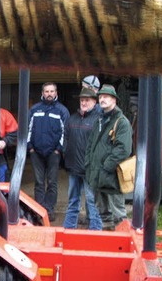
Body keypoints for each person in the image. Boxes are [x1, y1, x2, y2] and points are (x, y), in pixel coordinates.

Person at [85, 84, 133, 230]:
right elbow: (91, 144)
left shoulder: (121, 122)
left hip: (112, 177)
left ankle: (122, 244)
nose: (102, 99)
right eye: (100, 96)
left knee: (118, 215)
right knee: (102, 214)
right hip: (98, 176)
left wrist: (106, 166)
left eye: (106, 96)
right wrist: (89, 163)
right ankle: (107, 242)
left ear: (114, 100)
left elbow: (123, 149)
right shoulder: (99, 120)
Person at [28, 82, 70, 222]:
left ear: (56, 92)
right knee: (39, 182)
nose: (49, 94)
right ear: (42, 92)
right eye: (47, 91)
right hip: (36, 152)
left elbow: (66, 132)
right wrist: (30, 147)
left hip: (53, 153)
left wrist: (59, 149)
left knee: (52, 182)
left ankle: (49, 210)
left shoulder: (62, 111)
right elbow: (27, 129)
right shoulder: (34, 109)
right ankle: (39, 210)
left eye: (52, 91)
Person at [62, 87, 102, 230]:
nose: (84, 103)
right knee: (73, 200)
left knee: (92, 201)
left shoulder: (98, 120)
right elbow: (65, 138)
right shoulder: (72, 118)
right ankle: (68, 229)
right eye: (82, 100)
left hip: (90, 169)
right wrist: (65, 153)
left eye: (87, 100)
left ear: (94, 102)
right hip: (73, 167)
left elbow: (101, 144)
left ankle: (96, 231)